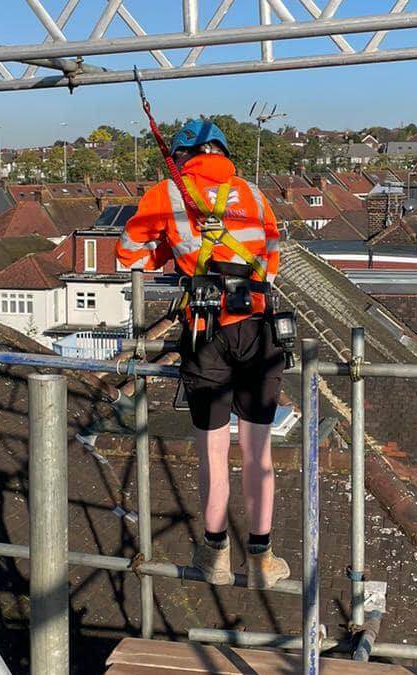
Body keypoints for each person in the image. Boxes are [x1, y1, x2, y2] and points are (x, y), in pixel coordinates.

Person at [116, 119, 289, 589]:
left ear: (182, 155)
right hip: (257, 327)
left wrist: (169, 253)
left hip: (205, 331)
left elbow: (128, 254)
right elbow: (271, 257)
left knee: (214, 452)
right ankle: (261, 560)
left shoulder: (166, 194)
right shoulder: (254, 195)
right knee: (259, 452)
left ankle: (214, 555)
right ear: (222, 152)